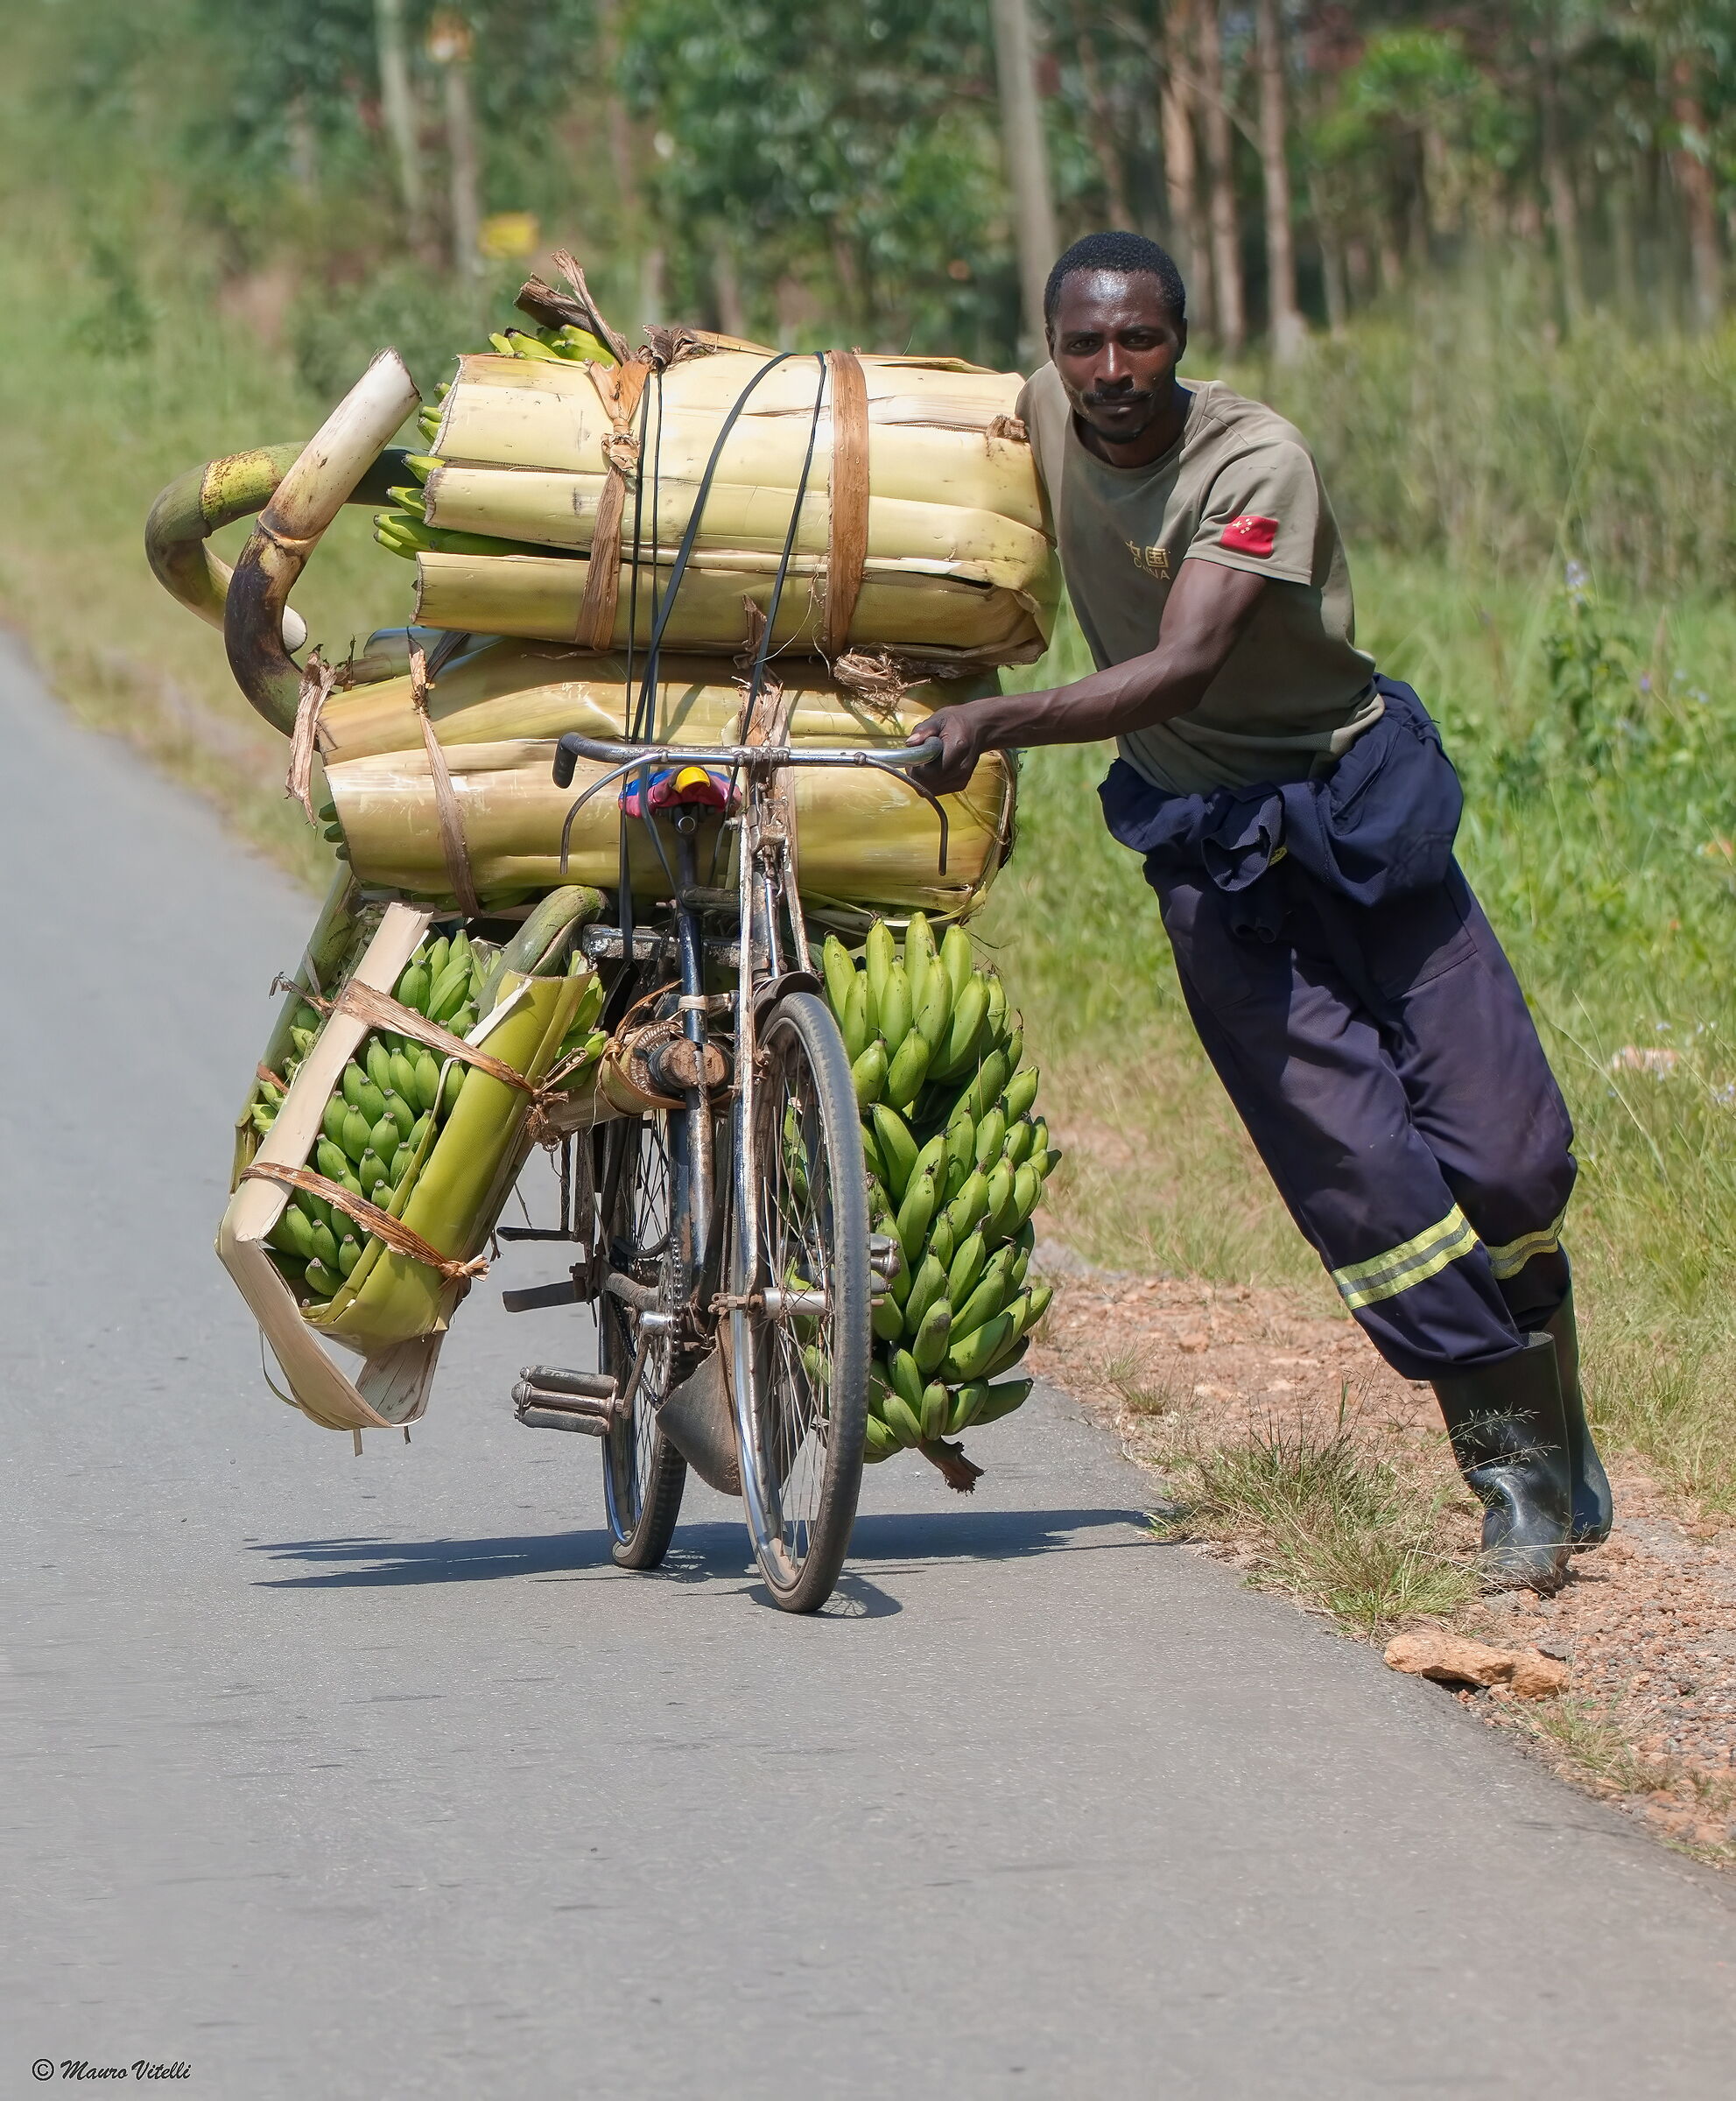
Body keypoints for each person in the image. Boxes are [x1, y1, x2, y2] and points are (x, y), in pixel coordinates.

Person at [910, 229, 1609, 1594]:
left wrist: (997, 718)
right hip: (1213, 853)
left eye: (1141, 341)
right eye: (1084, 343)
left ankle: (1555, 1399)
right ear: (1051, 346)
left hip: (1357, 814)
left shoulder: (1253, 462)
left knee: (1512, 1158)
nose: (1112, 371)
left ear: (1186, 336)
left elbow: (1186, 664)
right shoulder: (1031, 412)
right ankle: (1514, 1464)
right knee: (1366, 1176)